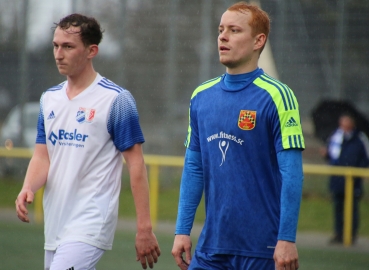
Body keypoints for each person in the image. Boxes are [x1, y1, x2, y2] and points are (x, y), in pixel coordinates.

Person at [15, 14, 160, 270]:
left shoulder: (116, 100)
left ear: (92, 51)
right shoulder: (48, 99)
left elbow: (136, 164)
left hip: (91, 221)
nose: (59, 54)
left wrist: (144, 228)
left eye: (68, 47)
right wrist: (28, 187)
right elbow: (42, 156)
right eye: (55, 45)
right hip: (56, 223)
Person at [171, 2, 304, 270]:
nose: (223, 36)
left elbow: (292, 173)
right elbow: (194, 168)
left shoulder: (278, 96)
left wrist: (287, 239)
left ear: (258, 41)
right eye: (221, 29)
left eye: (234, 30)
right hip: (211, 248)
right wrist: (182, 230)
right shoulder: (201, 96)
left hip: (262, 249)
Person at [322, 113, 369, 244]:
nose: (343, 125)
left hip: (353, 181)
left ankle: (351, 235)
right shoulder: (335, 137)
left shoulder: (360, 139)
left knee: (352, 208)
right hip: (337, 180)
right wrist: (326, 154)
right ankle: (338, 233)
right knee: (338, 208)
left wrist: (356, 170)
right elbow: (332, 156)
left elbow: (365, 159)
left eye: (346, 122)